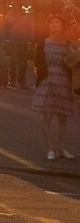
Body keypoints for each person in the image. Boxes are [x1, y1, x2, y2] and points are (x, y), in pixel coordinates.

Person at [32, 15, 76, 161]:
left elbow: (73, 61)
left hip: (63, 81)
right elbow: (38, 62)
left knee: (62, 117)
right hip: (47, 80)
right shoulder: (43, 43)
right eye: (51, 23)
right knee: (47, 117)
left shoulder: (67, 44)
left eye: (57, 22)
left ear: (62, 26)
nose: (54, 25)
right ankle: (50, 149)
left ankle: (61, 148)